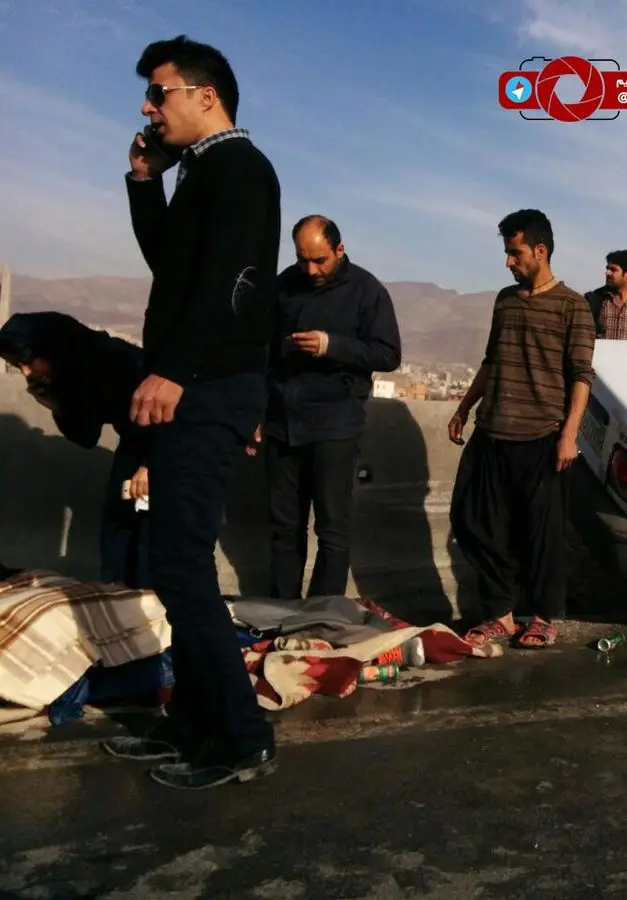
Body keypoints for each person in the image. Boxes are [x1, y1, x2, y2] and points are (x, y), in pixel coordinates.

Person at [99, 34, 281, 790]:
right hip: (194, 384)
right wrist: (145, 180)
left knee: (180, 563)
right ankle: (193, 722)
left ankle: (239, 737)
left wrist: (174, 370)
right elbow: (174, 265)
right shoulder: (202, 173)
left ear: (206, 96)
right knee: (170, 564)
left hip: (210, 388)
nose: (148, 106)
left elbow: (233, 282)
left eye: (161, 91)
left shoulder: (240, 168)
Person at [447, 209, 596, 649]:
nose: (509, 262)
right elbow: (491, 361)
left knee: (541, 533)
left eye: (515, 253)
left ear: (540, 250)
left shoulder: (574, 306)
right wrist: (463, 407)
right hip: (493, 430)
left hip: (542, 436)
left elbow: (582, 376)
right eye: (507, 253)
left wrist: (570, 434)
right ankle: (500, 613)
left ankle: (543, 616)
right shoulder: (505, 300)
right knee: (473, 520)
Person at [251, 214, 401, 600]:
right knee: (284, 528)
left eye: (320, 260)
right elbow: (260, 350)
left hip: (335, 424)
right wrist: (256, 411)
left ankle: (323, 617)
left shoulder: (367, 291)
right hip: (283, 422)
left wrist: (331, 346)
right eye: (304, 260)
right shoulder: (285, 285)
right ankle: (283, 613)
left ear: (339, 249)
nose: (312, 269)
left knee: (332, 529)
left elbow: (388, 353)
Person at [0, 312, 152, 588]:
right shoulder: (72, 369)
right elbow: (85, 435)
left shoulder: (116, 360)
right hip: (133, 447)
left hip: (167, 443)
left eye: (27, 361)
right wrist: (54, 402)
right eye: (16, 364)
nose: (25, 372)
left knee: (153, 543)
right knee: (118, 539)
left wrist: (151, 464)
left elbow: (173, 413)